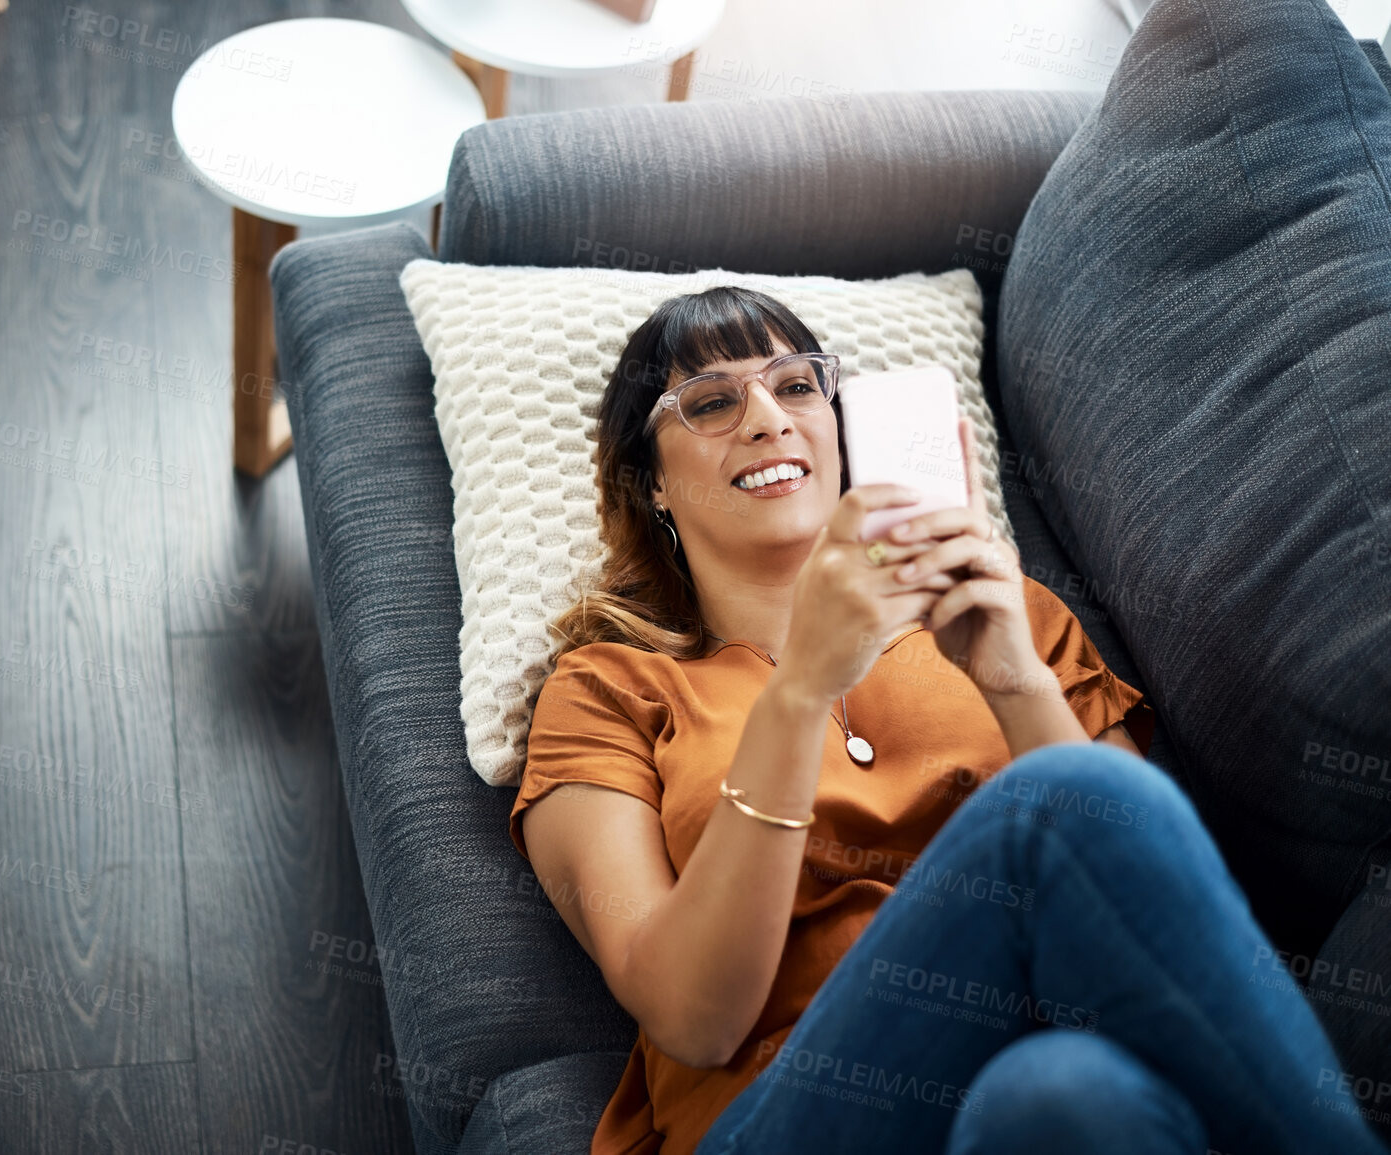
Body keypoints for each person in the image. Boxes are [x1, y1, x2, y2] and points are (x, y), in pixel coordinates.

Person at [508, 286, 1387, 1155]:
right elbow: (690, 1019)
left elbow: (1160, 908)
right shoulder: (605, 691)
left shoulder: (1006, 612)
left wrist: (1012, 680)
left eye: (799, 385)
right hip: (778, 1116)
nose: (768, 417)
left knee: (1064, 1099)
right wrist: (799, 691)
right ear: (650, 480)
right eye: (710, 401)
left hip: (1025, 1079)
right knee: (1058, 802)